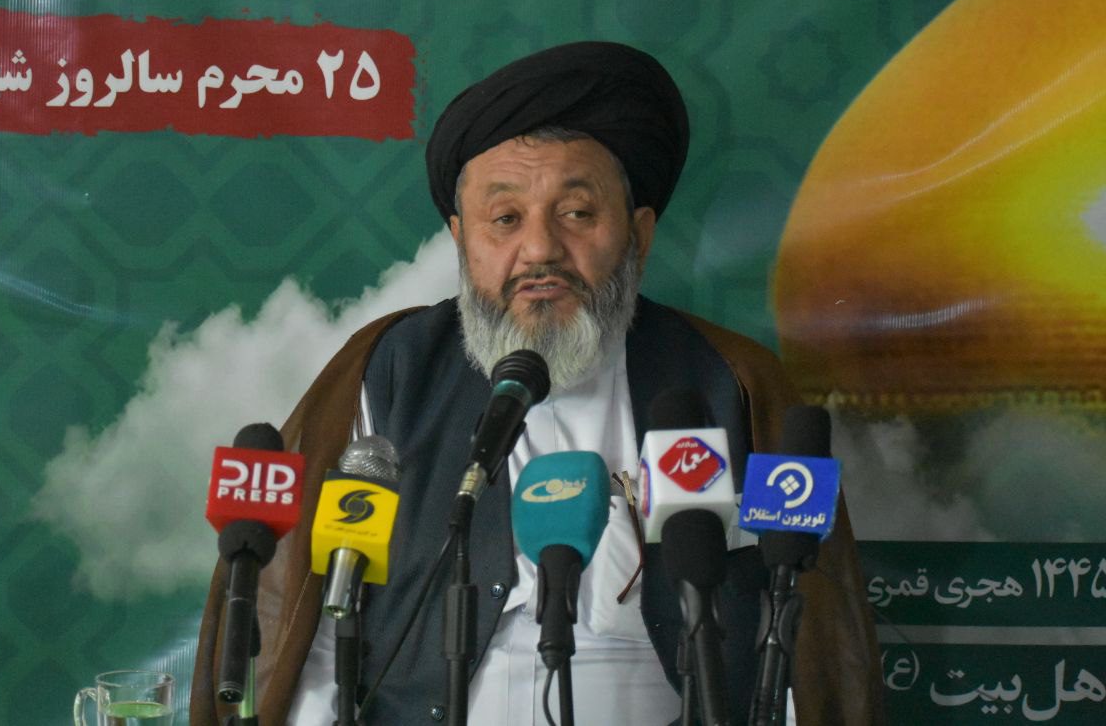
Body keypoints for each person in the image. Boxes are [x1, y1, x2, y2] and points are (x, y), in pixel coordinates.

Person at [192, 42, 885, 725]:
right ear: (461, 239)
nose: (540, 249)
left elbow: (806, 639)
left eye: (577, 213)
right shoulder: (391, 367)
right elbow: (306, 631)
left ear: (639, 234)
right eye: (505, 219)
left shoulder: (731, 380)